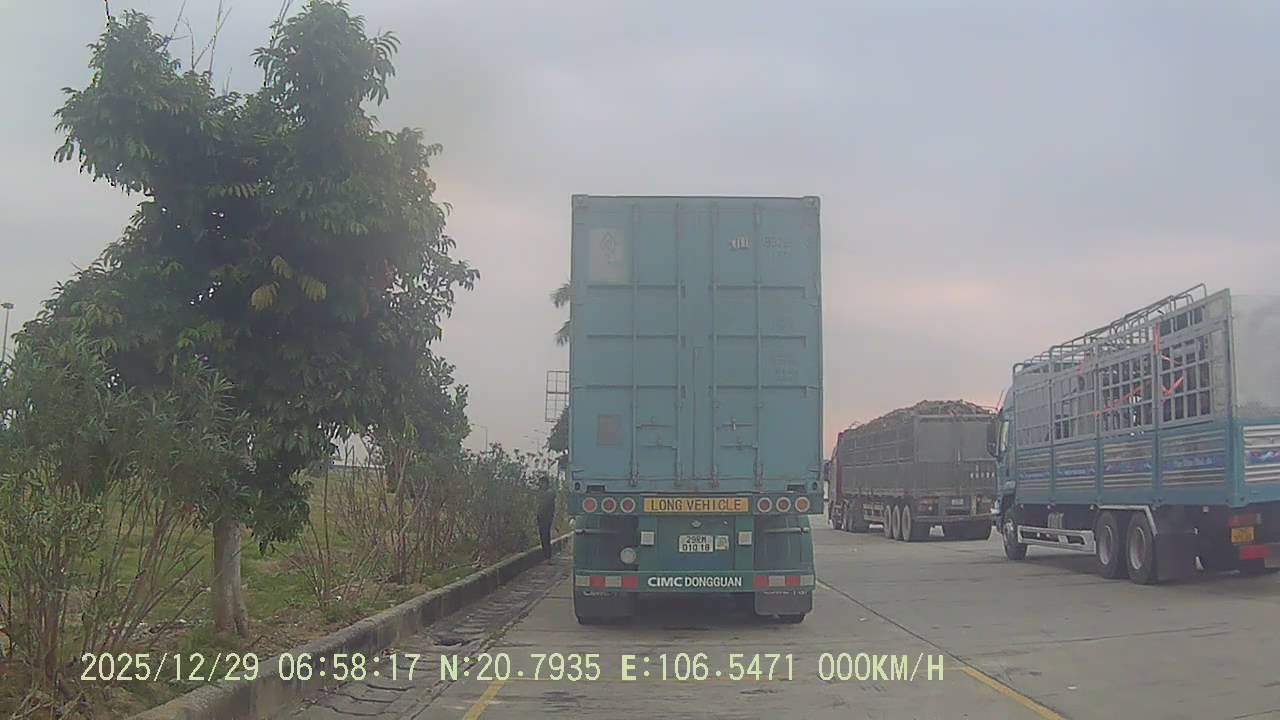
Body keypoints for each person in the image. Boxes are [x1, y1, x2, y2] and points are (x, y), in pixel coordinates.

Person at [536, 475, 556, 560]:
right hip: (542, 518)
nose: (540, 485)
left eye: (541, 483)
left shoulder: (549, 493)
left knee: (545, 537)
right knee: (543, 537)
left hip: (546, 518)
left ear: (545, 483)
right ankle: (547, 556)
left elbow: (544, 506)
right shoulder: (544, 493)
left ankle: (548, 556)